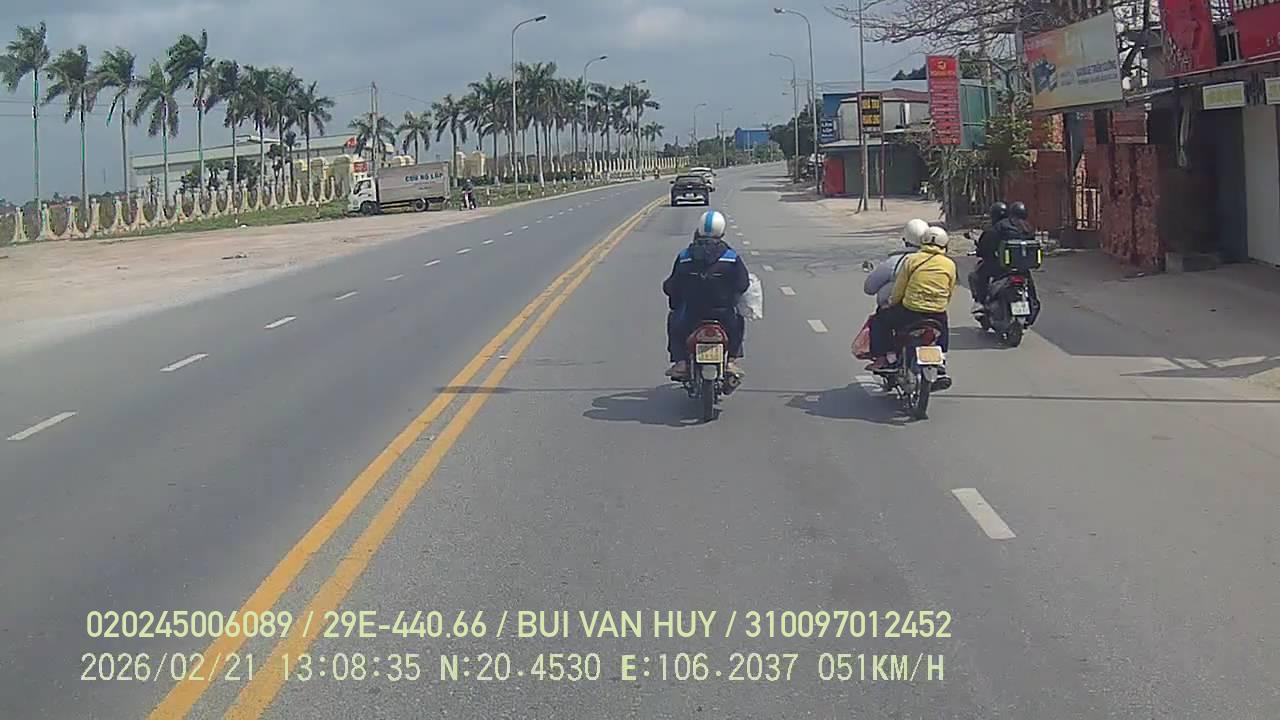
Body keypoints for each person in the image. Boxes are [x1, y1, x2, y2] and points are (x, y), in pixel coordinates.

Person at [663, 210, 750, 380]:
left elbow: (672, 285)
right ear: (722, 231)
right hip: (724, 314)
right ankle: (731, 361)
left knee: (673, 320)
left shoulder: (685, 256)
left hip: (691, 313)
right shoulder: (731, 257)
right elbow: (743, 284)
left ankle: (680, 362)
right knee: (739, 321)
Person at [868, 226, 957, 373]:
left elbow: (899, 288)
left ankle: (887, 358)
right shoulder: (950, 264)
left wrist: (891, 303)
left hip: (911, 311)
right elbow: (950, 290)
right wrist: (940, 305)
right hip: (937, 313)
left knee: (879, 320)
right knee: (943, 327)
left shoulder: (912, 260)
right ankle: (941, 356)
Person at [865, 218, 930, 310]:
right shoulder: (938, 262)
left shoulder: (895, 262)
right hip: (934, 311)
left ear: (905, 240)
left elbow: (869, 288)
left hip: (897, 312)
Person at [969, 201, 1009, 306]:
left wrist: (980, 252)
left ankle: (981, 302)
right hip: (1018, 267)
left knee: (976, 276)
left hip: (998, 266)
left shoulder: (993, 230)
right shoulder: (1019, 228)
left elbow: (983, 249)